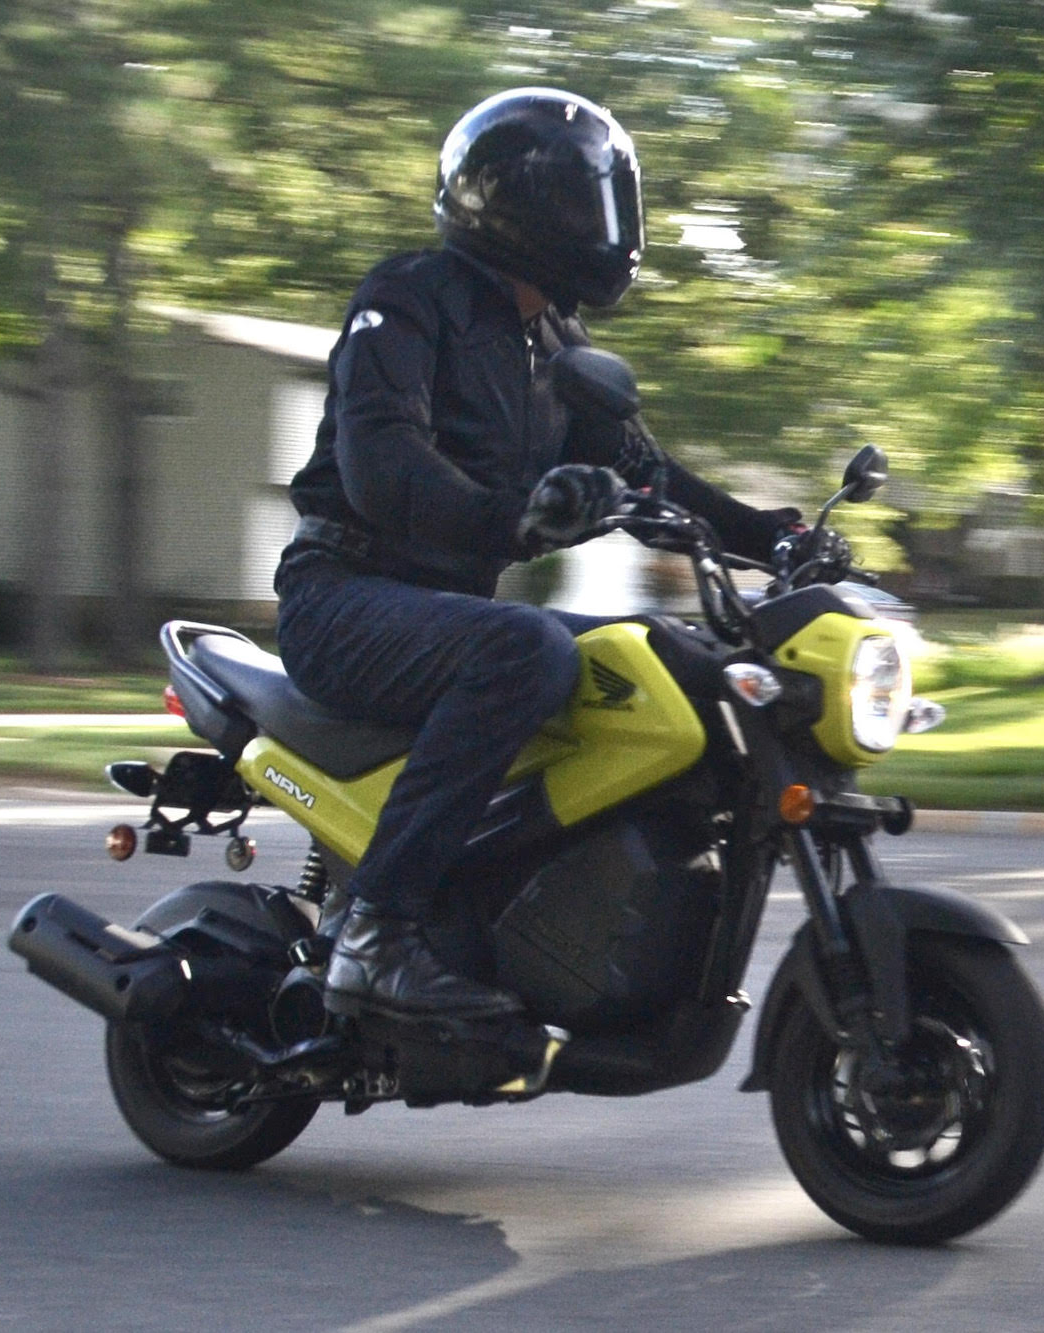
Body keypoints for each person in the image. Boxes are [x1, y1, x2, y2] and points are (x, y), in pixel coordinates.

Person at [274, 88, 809, 1022]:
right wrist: (516, 521)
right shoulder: (406, 300)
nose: (597, 226)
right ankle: (375, 933)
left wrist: (780, 539)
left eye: (601, 203)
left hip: (446, 613)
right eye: (574, 204)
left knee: (663, 660)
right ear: (509, 207)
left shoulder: (559, 345)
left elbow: (648, 478)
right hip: (343, 597)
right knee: (529, 649)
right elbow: (383, 466)